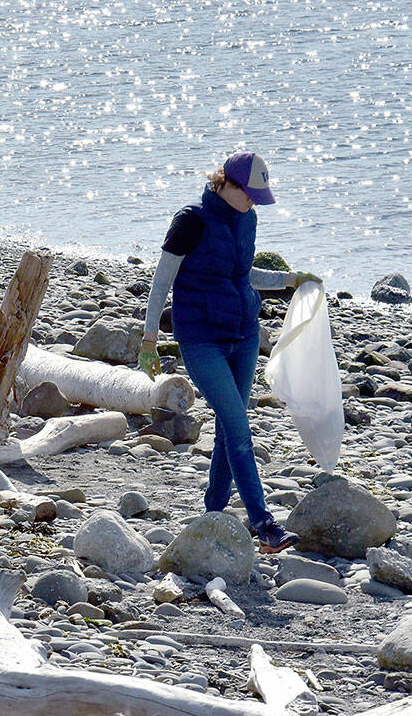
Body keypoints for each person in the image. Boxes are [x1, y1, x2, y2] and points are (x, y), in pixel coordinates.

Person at [138, 151, 319, 554]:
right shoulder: (190, 221)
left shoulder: (247, 219)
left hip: (244, 335)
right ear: (227, 184)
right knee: (238, 428)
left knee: (227, 428)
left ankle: (214, 512)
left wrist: (291, 279)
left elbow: (243, 274)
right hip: (201, 339)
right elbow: (161, 282)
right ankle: (263, 522)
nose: (255, 202)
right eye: (250, 194)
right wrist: (149, 340)